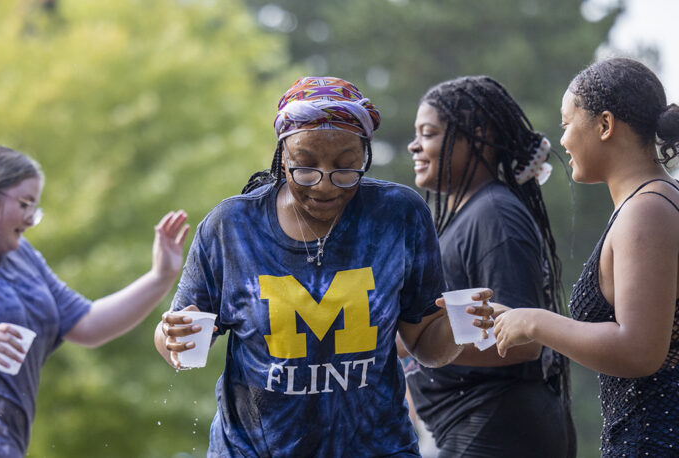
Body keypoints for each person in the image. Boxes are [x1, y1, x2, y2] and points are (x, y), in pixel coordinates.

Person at [154, 76, 491, 457]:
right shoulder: (231, 228)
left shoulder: (399, 216)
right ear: (282, 156)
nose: (325, 185)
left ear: (366, 154)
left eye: (346, 167)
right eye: (305, 166)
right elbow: (175, 342)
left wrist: (461, 327)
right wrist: (171, 338)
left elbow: (426, 344)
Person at [0, 145, 189, 457]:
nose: (31, 219)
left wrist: (160, 276)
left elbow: (89, 325)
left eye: (35, 208)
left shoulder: (22, 258)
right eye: (25, 204)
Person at [493, 57, 679, 457]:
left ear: (605, 125)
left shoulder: (647, 211)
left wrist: (536, 322)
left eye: (566, 124)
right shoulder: (655, 203)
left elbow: (640, 351)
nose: (561, 141)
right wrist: (514, 318)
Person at [402, 75, 576, 457]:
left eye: (428, 133)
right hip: (480, 426)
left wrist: (418, 342)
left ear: (476, 135)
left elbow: (524, 343)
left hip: (500, 427)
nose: (414, 145)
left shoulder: (494, 214)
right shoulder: (470, 214)